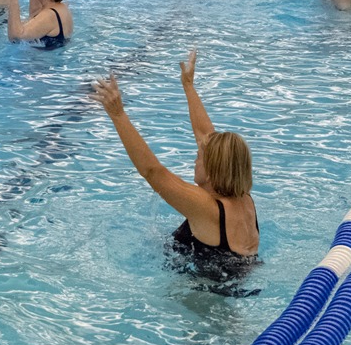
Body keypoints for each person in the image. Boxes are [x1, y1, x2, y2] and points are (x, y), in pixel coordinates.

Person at [90, 51, 260, 266]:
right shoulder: (243, 198)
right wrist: (188, 86)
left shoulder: (207, 207)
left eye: (199, 157)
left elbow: (152, 171)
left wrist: (118, 115)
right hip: (232, 282)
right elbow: (205, 136)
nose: (195, 160)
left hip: (202, 296)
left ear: (212, 169)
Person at [5, 0, 73, 49]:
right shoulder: (61, 7)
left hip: (42, 60)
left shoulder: (49, 15)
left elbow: (15, 38)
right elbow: (34, 16)